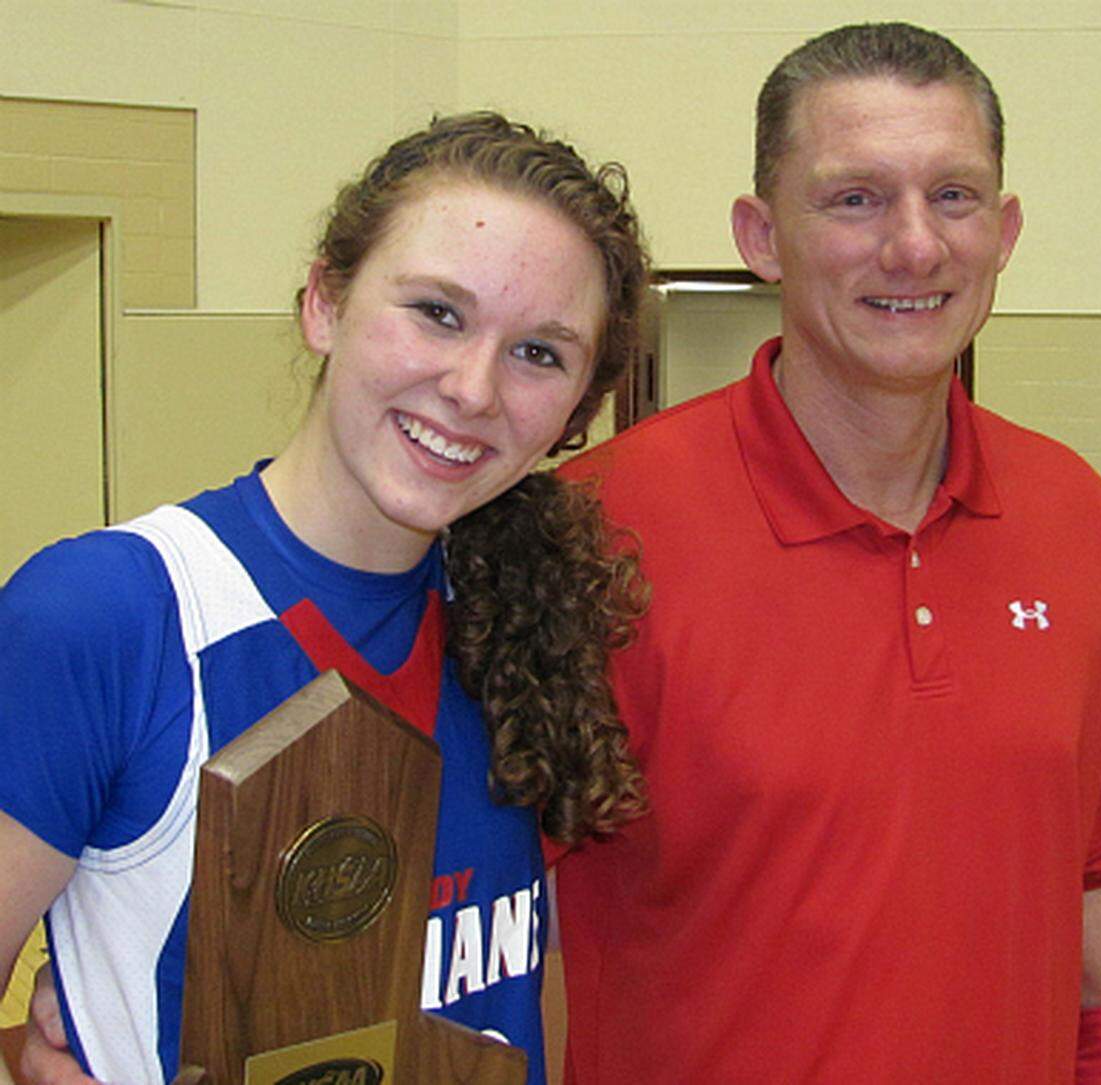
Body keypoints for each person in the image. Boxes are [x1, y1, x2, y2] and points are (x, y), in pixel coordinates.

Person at [0, 111, 650, 1085]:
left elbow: (518, 991)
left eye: (539, 352)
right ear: (324, 301)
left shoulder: (532, 621)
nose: (473, 386)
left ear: (575, 412)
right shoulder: (112, 614)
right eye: (437, 311)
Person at [551, 22, 1101, 1083]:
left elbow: (1099, 867)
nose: (914, 246)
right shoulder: (597, 528)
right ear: (762, 234)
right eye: (855, 198)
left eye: (953, 196)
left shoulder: (1072, 511)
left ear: (1004, 229)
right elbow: (518, 923)